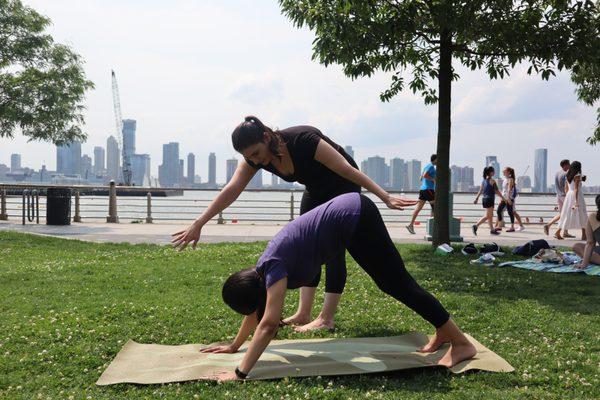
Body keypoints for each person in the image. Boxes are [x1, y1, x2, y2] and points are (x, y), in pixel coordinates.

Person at [172, 116, 417, 332]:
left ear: (267, 137)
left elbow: (345, 168)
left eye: (256, 153)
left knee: (332, 253)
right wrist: (199, 222)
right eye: (249, 158)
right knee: (303, 246)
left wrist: (384, 196)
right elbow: (233, 188)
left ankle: (326, 318)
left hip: (342, 185)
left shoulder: (302, 140)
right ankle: (303, 313)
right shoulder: (255, 158)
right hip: (315, 189)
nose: (254, 161)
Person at [200, 193, 476, 381]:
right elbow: (258, 313)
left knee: (397, 284)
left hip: (354, 215)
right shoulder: (261, 274)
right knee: (392, 283)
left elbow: (268, 324)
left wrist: (239, 373)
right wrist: (235, 345)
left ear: (257, 295)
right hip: (351, 213)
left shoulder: (273, 268)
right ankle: (444, 332)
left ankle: (461, 343)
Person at [406, 154, 437, 234]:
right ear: (435, 159)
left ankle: (411, 225)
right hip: (428, 189)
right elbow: (424, 175)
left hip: (423, 190)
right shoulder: (431, 167)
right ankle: (433, 228)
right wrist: (433, 179)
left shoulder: (427, 166)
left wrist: (427, 179)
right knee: (435, 207)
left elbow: (421, 178)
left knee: (418, 209)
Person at [557, 161, 588, 241]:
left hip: (569, 195)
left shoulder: (568, 175)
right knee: (582, 214)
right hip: (577, 196)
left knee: (566, 215)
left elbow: (566, 188)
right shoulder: (577, 175)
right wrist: (576, 202)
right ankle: (584, 235)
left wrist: (568, 198)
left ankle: (558, 231)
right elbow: (576, 189)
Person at [472, 166, 506, 236]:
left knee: (490, 216)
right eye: (493, 171)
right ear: (490, 173)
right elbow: (497, 191)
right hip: (490, 199)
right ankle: (476, 226)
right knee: (488, 216)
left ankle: (492, 230)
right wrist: (503, 198)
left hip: (484, 199)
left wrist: (476, 198)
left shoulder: (483, 181)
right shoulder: (492, 181)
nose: (494, 172)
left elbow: (480, 190)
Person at [544, 160, 571, 239]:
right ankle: (549, 225)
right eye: (569, 164)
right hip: (564, 196)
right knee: (566, 214)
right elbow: (566, 186)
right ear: (565, 165)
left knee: (563, 214)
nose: (570, 166)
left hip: (558, 195)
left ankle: (565, 232)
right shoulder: (566, 174)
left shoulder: (557, 173)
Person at [573, 195, 600, 269]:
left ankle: (591, 259)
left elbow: (590, 243)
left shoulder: (593, 217)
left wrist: (584, 265)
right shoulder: (593, 217)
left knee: (577, 247)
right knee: (577, 246)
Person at [496, 167, 524, 232]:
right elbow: (504, 190)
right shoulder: (505, 179)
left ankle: (512, 227)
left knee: (510, 213)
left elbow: (509, 189)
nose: (503, 171)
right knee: (498, 211)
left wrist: (508, 198)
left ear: (508, 172)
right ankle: (499, 226)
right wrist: (501, 198)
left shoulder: (510, 179)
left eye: (504, 170)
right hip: (504, 198)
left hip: (509, 198)